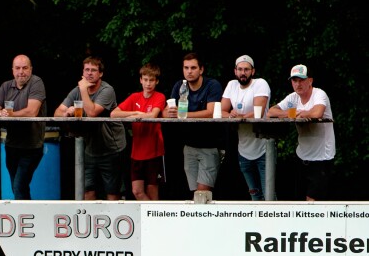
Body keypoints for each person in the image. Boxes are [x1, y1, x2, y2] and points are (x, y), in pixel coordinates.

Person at [55, 56, 127, 200]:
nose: (89, 73)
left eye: (93, 70)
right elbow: (57, 113)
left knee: (112, 193)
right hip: (90, 149)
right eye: (86, 70)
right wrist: (67, 112)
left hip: (111, 148)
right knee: (87, 190)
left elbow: (93, 112)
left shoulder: (107, 90)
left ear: (100, 73)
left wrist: (83, 90)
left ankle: (114, 221)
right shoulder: (77, 90)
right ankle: (91, 222)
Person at [267, 64, 335, 201]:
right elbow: (271, 112)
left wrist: (302, 113)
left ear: (310, 81)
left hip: (321, 158)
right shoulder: (293, 98)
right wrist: (290, 113)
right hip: (301, 157)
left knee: (312, 203)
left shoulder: (319, 94)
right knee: (299, 203)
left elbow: (317, 112)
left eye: (301, 80)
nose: (298, 84)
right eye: (294, 80)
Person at [163, 52, 224, 196]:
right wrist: (170, 113)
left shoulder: (212, 85)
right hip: (188, 146)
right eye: (186, 68)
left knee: (203, 194)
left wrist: (183, 115)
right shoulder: (180, 85)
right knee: (195, 193)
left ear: (201, 69)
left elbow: (211, 112)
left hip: (209, 146)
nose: (189, 71)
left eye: (193, 68)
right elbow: (166, 111)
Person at [0, 54, 47, 200]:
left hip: (32, 146)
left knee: (19, 186)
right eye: (18, 68)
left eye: (25, 68)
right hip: (11, 145)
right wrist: (2, 113)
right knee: (17, 187)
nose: (21, 72)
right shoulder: (6, 86)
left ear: (31, 69)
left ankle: (24, 219)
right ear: (12, 70)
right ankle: (28, 217)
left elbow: (32, 112)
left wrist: (10, 115)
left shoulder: (36, 82)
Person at [110, 63, 167, 200]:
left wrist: (134, 116)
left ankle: (155, 220)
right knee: (137, 191)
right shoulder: (135, 97)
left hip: (154, 151)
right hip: (136, 152)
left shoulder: (159, 96)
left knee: (152, 190)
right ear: (140, 80)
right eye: (145, 80)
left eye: (151, 80)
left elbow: (153, 115)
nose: (148, 84)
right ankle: (150, 217)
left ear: (156, 81)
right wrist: (135, 112)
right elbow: (114, 114)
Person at [221, 55, 271, 200]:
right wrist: (231, 114)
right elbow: (220, 112)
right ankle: (257, 223)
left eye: (247, 69)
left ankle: (273, 222)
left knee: (268, 196)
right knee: (254, 195)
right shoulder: (231, 85)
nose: (243, 73)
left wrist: (236, 116)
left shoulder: (261, 84)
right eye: (240, 69)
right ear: (235, 71)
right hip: (243, 150)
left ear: (253, 71)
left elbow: (258, 113)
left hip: (263, 148)